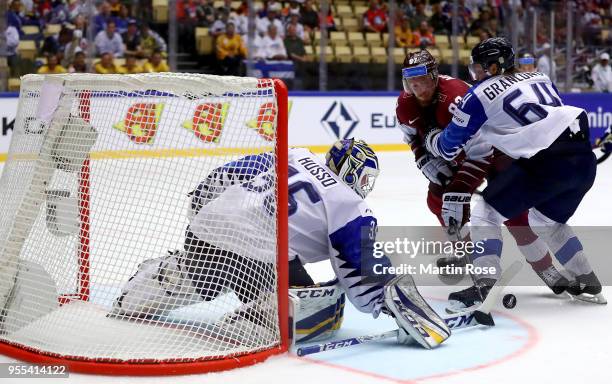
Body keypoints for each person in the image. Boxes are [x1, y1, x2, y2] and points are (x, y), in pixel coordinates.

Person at [110, 139, 451, 349]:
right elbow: (360, 268)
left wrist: (203, 208)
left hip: (208, 226)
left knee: (201, 278)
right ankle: (262, 317)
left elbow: (230, 173)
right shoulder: (349, 202)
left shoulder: (295, 152)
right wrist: (390, 301)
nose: (365, 186)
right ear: (353, 172)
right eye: (365, 178)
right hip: (259, 256)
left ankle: (153, 284)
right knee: (322, 311)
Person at [424, 37, 605, 304]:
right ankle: (589, 281)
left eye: (479, 68)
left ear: (494, 67)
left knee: (486, 213)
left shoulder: (478, 95)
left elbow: (449, 148)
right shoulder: (540, 77)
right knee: (548, 223)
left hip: (545, 162)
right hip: (582, 158)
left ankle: (484, 286)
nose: (475, 74)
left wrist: (431, 140)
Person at [397, 49, 576, 303]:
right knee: (437, 200)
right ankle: (472, 258)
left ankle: (546, 267)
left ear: (435, 76)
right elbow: (412, 136)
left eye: (422, 78)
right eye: (410, 79)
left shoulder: (456, 97)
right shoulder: (404, 104)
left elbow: (482, 151)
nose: (417, 86)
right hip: (459, 152)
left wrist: (460, 188)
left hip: (497, 153)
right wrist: (422, 158)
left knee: (514, 213)